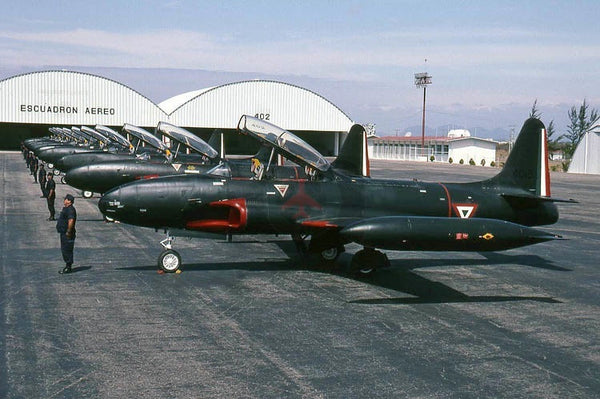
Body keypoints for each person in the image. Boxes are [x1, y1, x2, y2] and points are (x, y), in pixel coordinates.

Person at [56, 194, 77, 274]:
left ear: (69, 201)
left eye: (65, 199)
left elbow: (71, 221)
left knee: (67, 249)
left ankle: (68, 266)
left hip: (67, 233)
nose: (64, 200)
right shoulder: (67, 209)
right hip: (64, 232)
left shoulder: (70, 210)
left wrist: (68, 231)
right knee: (65, 249)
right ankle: (68, 265)